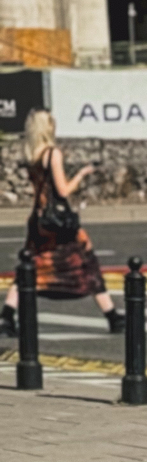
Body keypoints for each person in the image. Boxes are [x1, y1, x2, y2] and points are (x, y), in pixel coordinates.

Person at [2, 109, 119, 340]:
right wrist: (81, 175)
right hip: (58, 223)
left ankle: (6, 316)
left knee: (30, 265)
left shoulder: (32, 155)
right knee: (86, 261)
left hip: (38, 219)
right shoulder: (52, 153)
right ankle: (113, 315)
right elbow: (63, 190)